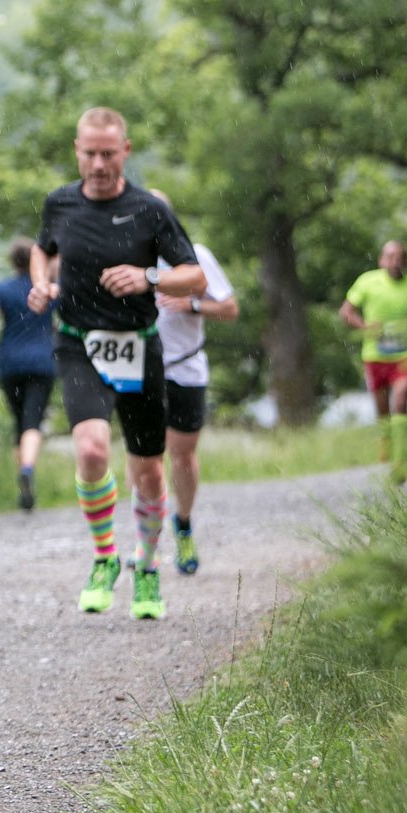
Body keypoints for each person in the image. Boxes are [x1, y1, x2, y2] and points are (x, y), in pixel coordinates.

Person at [29, 108, 204, 620]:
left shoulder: (149, 209)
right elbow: (42, 250)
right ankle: (105, 556)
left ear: (125, 151)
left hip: (138, 346)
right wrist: (41, 283)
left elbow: (194, 277)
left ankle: (146, 566)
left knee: (148, 471)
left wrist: (148, 276)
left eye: (109, 153)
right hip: (79, 343)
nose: (99, 164)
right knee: (90, 448)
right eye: (90, 154)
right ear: (77, 151)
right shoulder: (60, 202)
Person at [148, 191, 239, 576]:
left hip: (185, 368)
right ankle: (147, 541)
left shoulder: (195, 255)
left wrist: (192, 304)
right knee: (146, 457)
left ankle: (183, 523)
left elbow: (230, 308)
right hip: (143, 371)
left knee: (182, 455)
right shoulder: (128, 259)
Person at [0, 238, 57, 510]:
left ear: (13, 262)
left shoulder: (3, 288)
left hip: (10, 361)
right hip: (42, 360)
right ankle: (27, 469)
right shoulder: (44, 288)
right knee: (33, 420)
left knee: (19, 422)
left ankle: (25, 486)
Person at [340, 241, 407, 468]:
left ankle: (401, 452)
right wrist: (365, 327)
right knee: (383, 409)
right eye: (390, 257)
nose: (395, 262)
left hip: (406, 354)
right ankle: (386, 443)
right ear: (381, 260)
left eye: (400, 257)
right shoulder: (367, 282)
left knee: (401, 398)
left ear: (406, 261)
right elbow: (346, 312)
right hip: (375, 355)